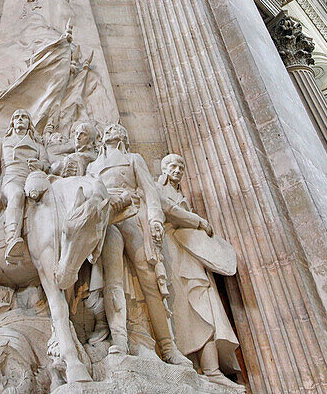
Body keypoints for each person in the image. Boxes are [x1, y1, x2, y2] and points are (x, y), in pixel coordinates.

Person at [86, 124, 191, 366]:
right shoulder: (92, 167)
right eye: (108, 129)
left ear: (123, 137)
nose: (111, 129)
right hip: (108, 220)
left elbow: (150, 190)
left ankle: (168, 346)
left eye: (116, 128)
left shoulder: (133, 158)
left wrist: (155, 218)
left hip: (133, 216)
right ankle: (120, 340)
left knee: (149, 279)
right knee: (112, 281)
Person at [156, 154, 240, 385]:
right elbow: (167, 209)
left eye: (181, 167)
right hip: (172, 250)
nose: (177, 170)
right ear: (163, 169)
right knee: (185, 308)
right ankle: (198, 367)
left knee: (205, 305)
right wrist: (197, 221)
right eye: (173, 166)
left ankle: (212, 370)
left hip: (189, 253)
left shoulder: (180, 194)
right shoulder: (157, 188)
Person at [0, 109, 50, 263]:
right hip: (11, 179)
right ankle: (12, 240)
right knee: (17, 194)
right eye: (16, 117)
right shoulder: (2, 142)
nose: (20, 119)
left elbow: (46, 164)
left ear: (29, 122)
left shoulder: (37, 145)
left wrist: (40, 165)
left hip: (32, 177)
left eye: (24, 117)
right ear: (12, 122)